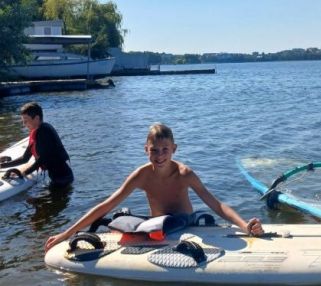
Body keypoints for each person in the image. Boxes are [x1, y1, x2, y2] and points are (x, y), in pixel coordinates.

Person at [45, 123, 263, 252]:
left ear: (174, 149)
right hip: (155, 227)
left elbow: (216, 204)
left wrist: (244, 226)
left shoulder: (184, 174)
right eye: (154, 150)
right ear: (146, 150)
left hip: (183, 222)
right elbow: (107, 204)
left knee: (163, 223)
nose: (159, 156)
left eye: (164, 150)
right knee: (116, 216)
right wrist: (66, 233)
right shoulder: (142, 175)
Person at [0, 102, 74, 188]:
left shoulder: (44, 131)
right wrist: (2, 165)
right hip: (57, 177)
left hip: (63, 179)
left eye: (26, 121)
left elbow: (43, 159)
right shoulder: (36, 133)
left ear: (36, 118)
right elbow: (25, 158)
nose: (24, 124)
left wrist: (24, 172)